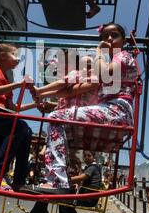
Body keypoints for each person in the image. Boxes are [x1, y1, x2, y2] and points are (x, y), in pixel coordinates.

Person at [23, 22, 138, 195]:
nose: (108, 39)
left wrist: (99, 52)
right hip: (109, 109)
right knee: (59, 129)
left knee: (55, 118)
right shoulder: (106, 66)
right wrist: (43, 95)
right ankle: (51, 195)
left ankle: (57, 182)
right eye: (104, 36)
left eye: (114, 35)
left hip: (116, 110)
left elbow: (100, 75)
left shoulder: (123, 56)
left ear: (124, 40)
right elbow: (69, 89)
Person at [0, 44, 37, 191]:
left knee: (26, 130)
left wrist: (36, 104)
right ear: (3, 56)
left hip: (1, 112)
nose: (18, 59)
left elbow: (13, 107)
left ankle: (19, 180)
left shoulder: (6, 78)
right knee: (20, 126)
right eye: (15, 55)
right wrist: (19, 84)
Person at [28, 150, 102, 213]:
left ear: (94, 157)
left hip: (88, 198)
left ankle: (38, 212)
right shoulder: (90, 167)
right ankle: (41, 211)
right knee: (60, 195)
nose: (86, 158)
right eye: (85, 156)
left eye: (89, 156)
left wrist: (64, 180)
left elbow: (81, 177)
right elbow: (80, 180)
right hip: (88, 196)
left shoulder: (92, 167)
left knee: (63, 199)